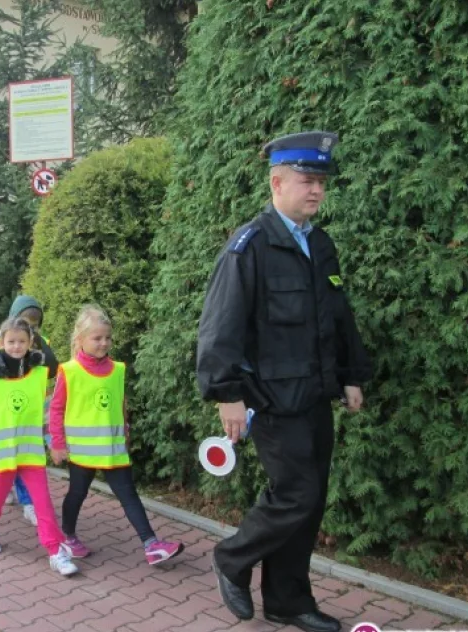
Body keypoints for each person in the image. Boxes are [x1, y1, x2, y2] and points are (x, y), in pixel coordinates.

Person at [196, 131, 372, 632]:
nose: (316, 190)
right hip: (271, 399)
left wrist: (351, 377)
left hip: (315, 393)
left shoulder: (320, 244)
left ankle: (288, 601)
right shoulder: (249, 247)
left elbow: (338, 319)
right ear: (277, 183)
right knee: (296, 492)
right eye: (306, 180)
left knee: (310, 500)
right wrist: (226, 393)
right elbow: (220, 325)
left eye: (320, 181)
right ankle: (232, 558)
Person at [50, 305, 183, 565]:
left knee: (128, 494)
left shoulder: (118, 369)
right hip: (82, 452)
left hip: (113, 449)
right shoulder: (69, 370)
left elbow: (121, 404)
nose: (104, 343)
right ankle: (67, 537)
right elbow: (56, 409)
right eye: (97, 338)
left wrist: (126, 431)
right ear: (80, 340)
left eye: (107, 338)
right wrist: (57, 444)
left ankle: (151, 544)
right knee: (76, 494)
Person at [0, 317, 78, 577]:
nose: (16, 346)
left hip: (30, 451)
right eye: (11, 341)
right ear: (1, 342)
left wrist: (52, 442)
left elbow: (42, 412)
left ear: (31, 342)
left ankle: (55, 551)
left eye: (22, 341)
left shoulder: (38, 374)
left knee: (42, 501)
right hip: (3, 451)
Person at [0, 295, 58, 524]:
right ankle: (0, 499)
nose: (30, 327)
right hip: (5, 415)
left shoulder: (38, 342)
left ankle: (28, 502)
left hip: (29, 410)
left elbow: (53, 368)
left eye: (35, 324)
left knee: (25, 461)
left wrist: (38, 341)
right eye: (26, 321)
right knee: (4, 466)